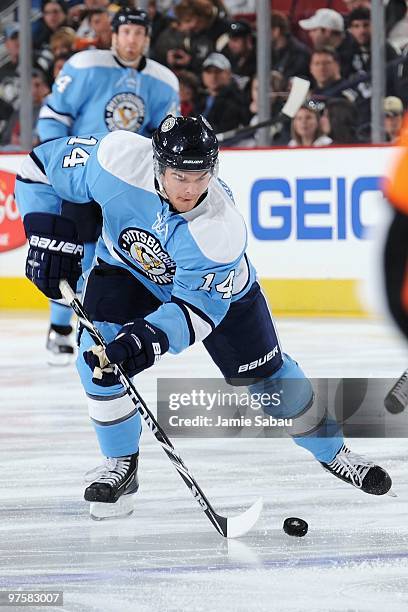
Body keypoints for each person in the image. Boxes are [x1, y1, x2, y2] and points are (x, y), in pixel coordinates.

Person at [15, 115, 392, 519]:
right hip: (125, 271)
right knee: (96, 363)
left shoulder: (219, 229)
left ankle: (335, 452)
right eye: (179, 175)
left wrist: (147, 340)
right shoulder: (114, 158)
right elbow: (36, 169)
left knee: (269, 381)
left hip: (219, 295)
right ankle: (121, 464)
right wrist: (42, 232)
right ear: (157, 164)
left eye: (201, 176)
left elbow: (196, 312)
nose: (191, 189)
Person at [37, 7, 180, 365]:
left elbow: (164, 137)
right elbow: (53, 118)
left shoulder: (164, 81)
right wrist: (59, 166)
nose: (131, 40)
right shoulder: (85, 65)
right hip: (85, 175)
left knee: (121, 254)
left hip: (128, 182)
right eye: (125, 32)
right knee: (78, 253)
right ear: (113, 36)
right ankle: (61, 330)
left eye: (138, 33)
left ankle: (108, 326)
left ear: (146, 38)